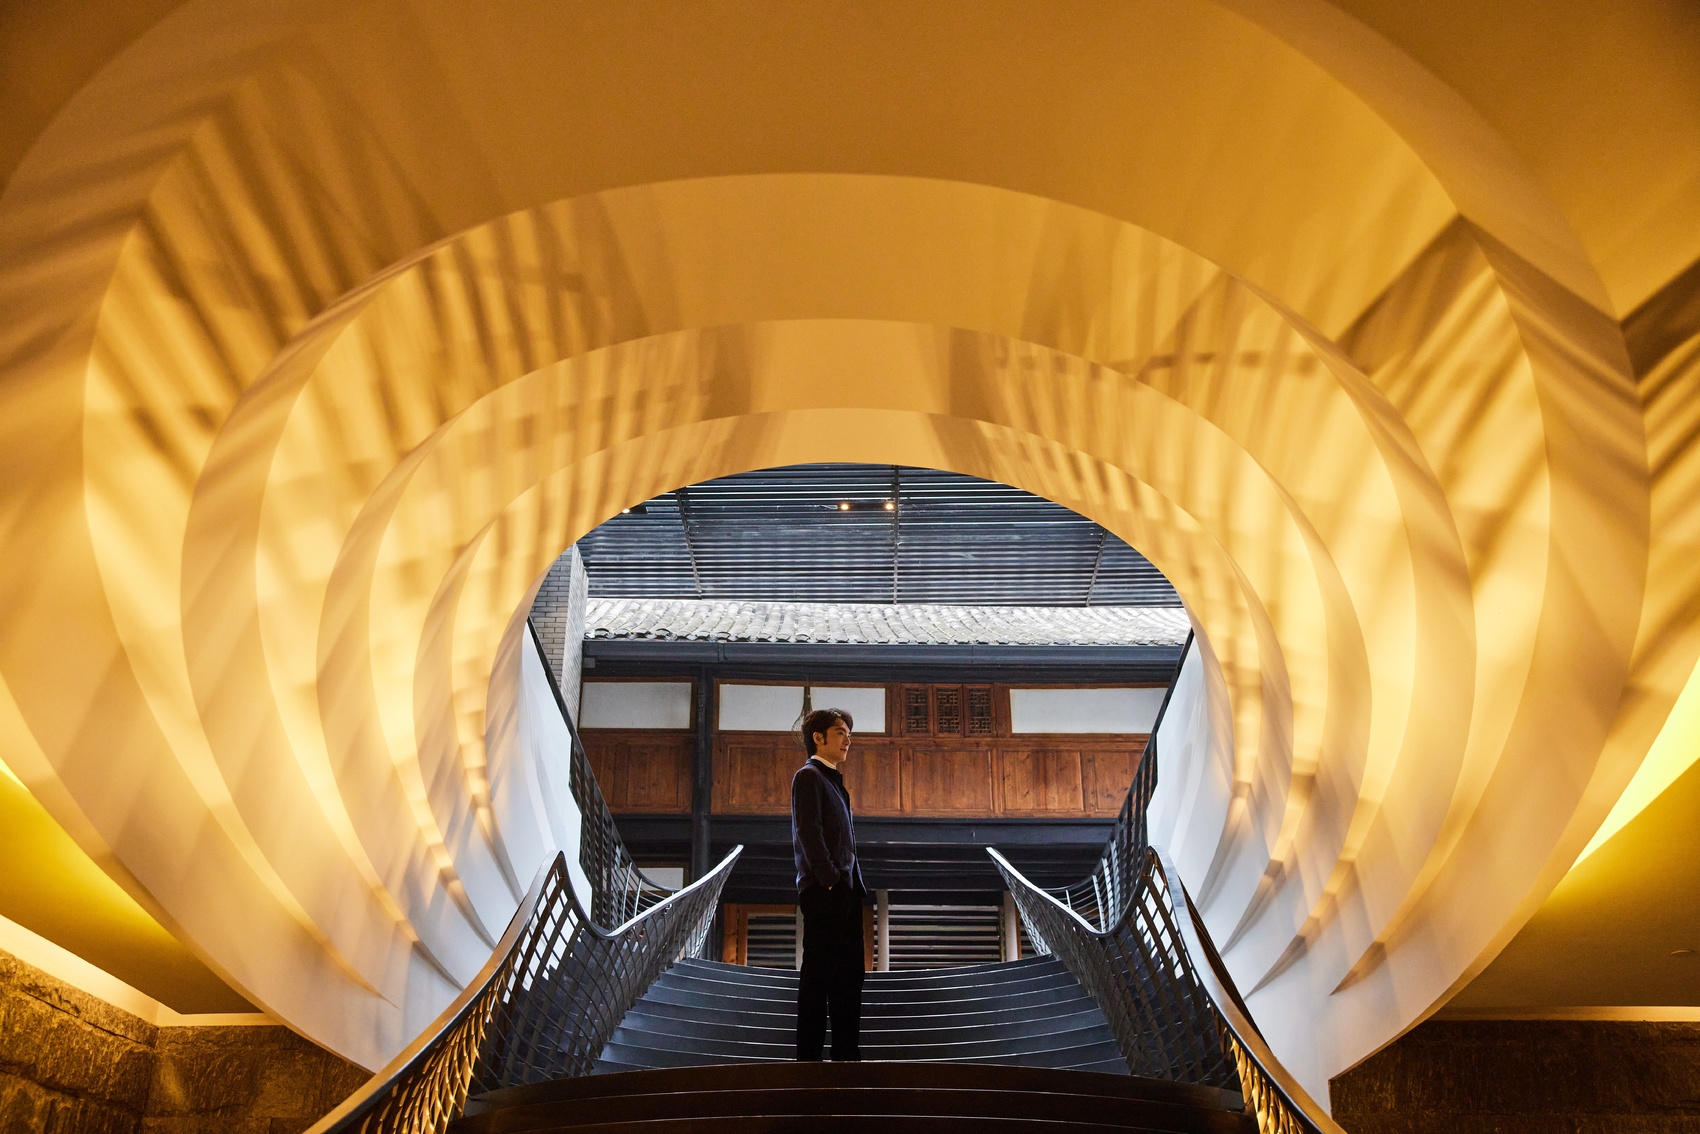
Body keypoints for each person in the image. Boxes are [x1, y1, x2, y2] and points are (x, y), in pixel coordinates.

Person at [791, 706, 866, 1061]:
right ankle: (808, 1060)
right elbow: (809, 832)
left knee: (850, 977)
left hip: (846, 891)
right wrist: (831, 881)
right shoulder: (808, 777)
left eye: (849, 732)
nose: (848, 738)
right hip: (825, 891)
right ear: (818, 738)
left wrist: (849, 887)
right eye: (840, 732)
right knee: (819, 975)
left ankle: (846, 1057)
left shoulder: (836, 782)